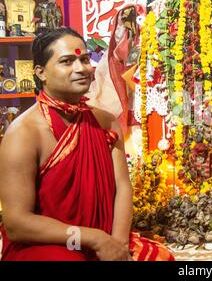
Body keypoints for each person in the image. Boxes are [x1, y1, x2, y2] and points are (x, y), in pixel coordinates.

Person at [0, 27, 174, 261]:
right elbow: (17, 223)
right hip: (48, 243)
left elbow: (122, 187)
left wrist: (118, 244)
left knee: (159, 256)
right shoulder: (24, 134)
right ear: (40, 72)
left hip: (101, 240)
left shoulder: (105, 122)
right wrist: (94, 239)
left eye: (84, 59)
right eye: (67, 61)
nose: (81, 68)